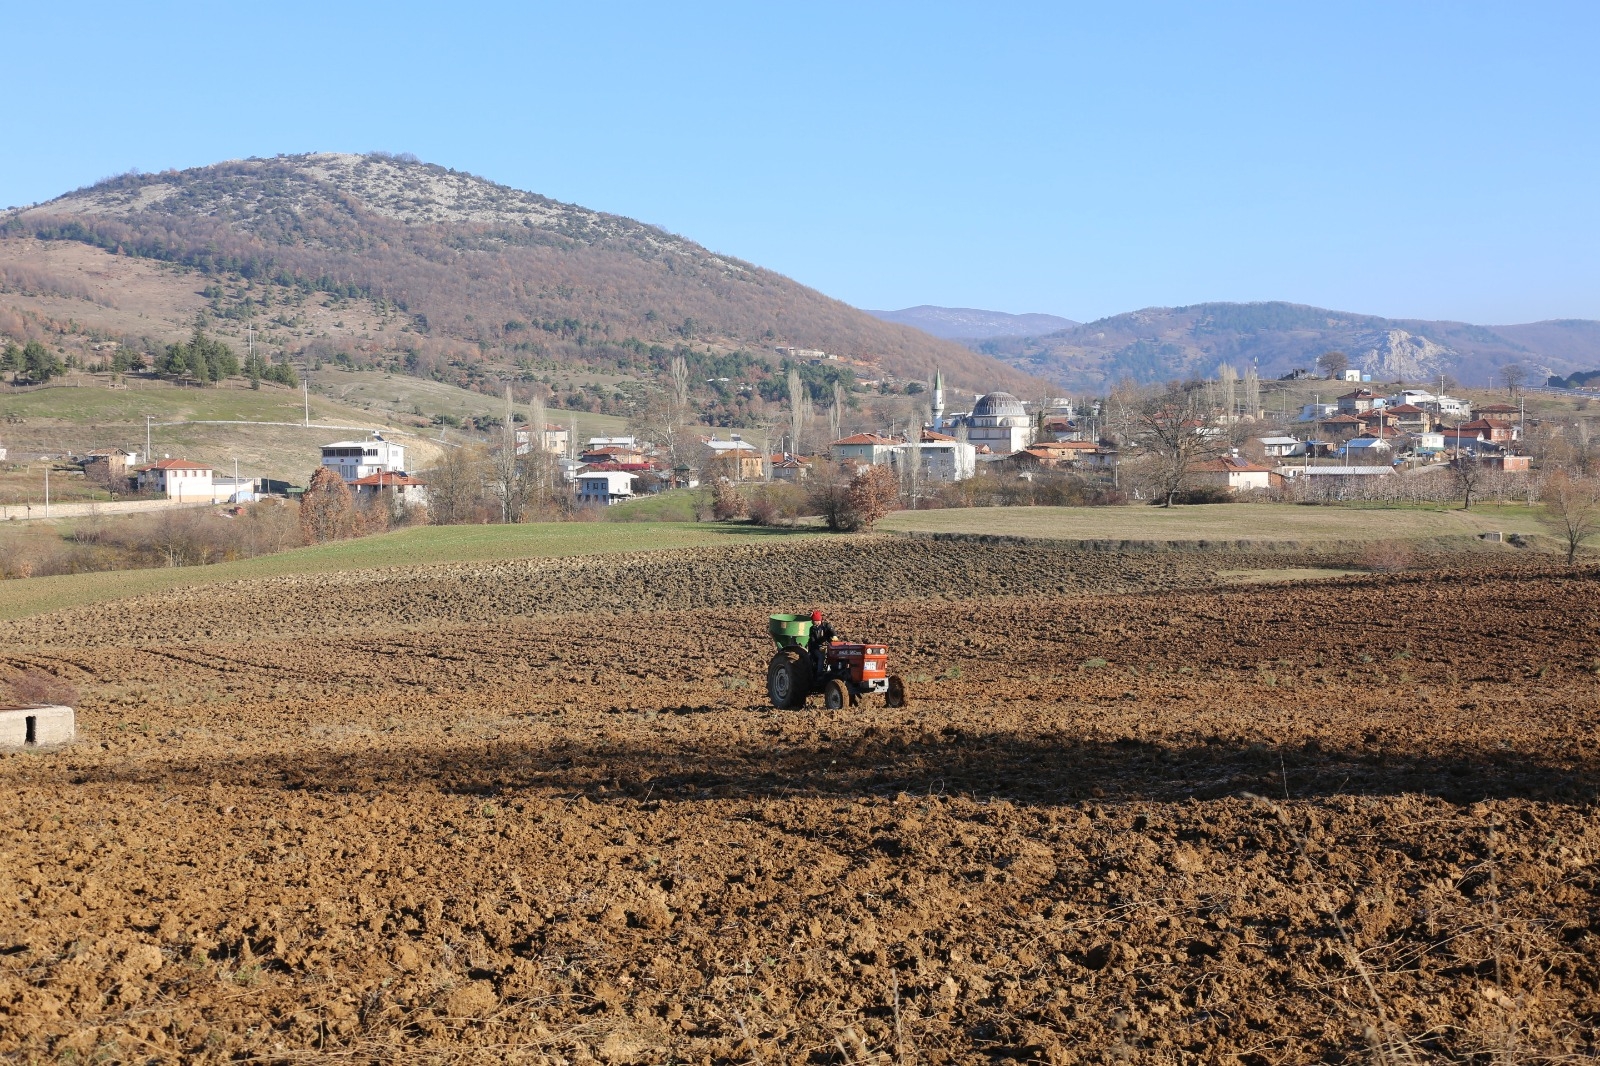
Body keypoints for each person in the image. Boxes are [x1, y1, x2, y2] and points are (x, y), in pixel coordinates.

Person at [807, 608, 837, 675]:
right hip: (816, 648)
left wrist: (834, 636)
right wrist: (819, 647)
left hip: (828, 647)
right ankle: (819, 673)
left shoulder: (826, 626)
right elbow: (812, 641)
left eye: (813, 620)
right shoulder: (812, 629)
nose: (811, 622)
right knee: (821, 656)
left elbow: (833, 632)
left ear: (818, 620)